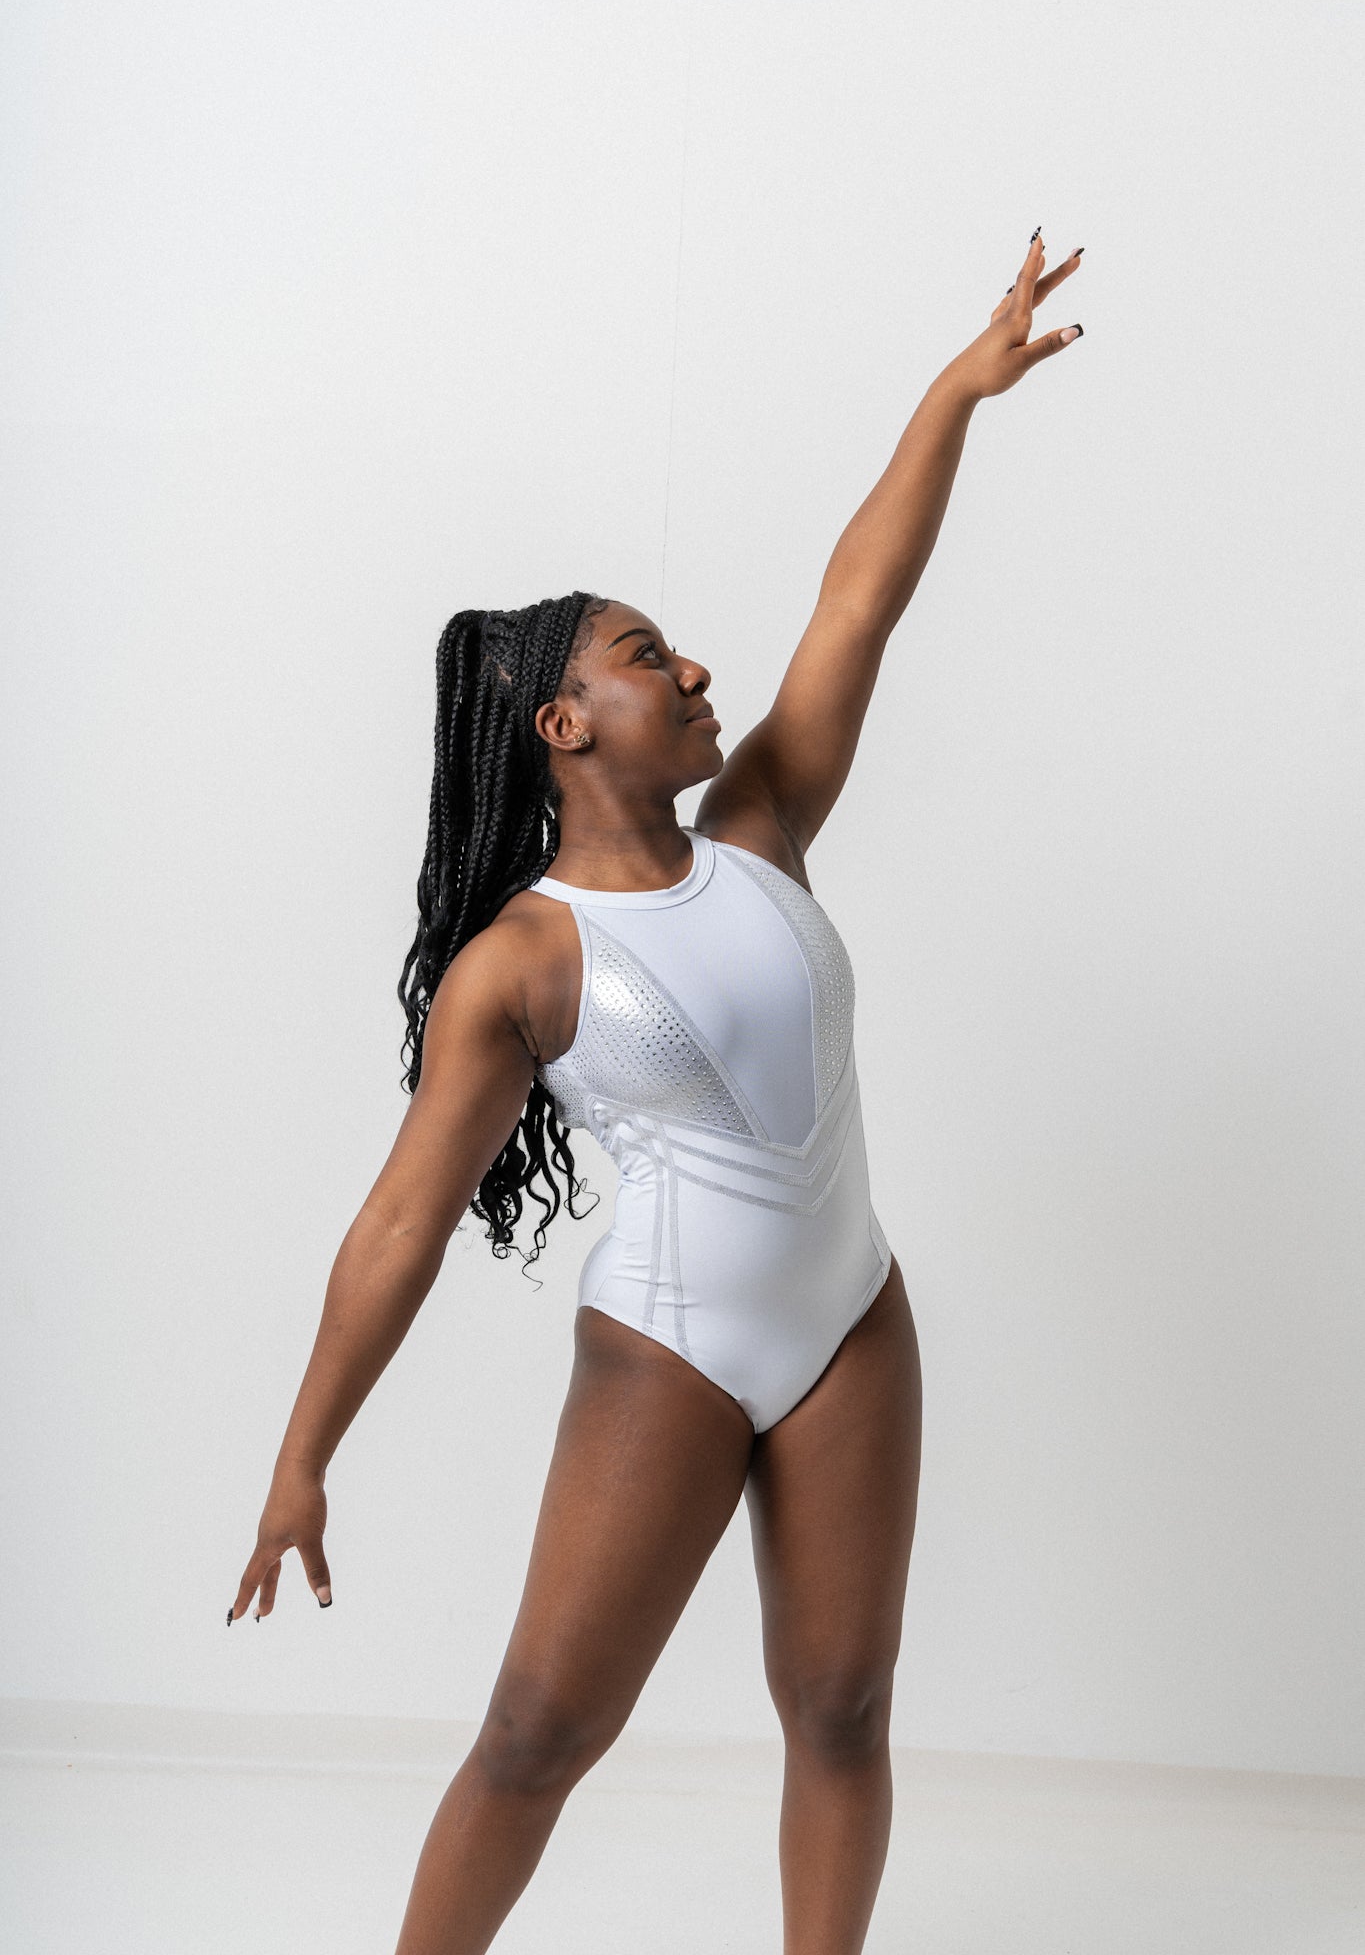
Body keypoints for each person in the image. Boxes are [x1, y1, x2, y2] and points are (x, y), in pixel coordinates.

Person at [228, 229, 1083, 1954]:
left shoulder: (761, 832)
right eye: (649, 654)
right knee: (542, 1734)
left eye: (681, 651)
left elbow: (860, 597)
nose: (695, 672)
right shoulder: (523, 966)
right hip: (673, 1344)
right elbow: (404, 1216)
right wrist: (302, 1457)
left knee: (842, 1707)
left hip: (854, 1317)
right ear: (559, 721)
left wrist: (952, 395)